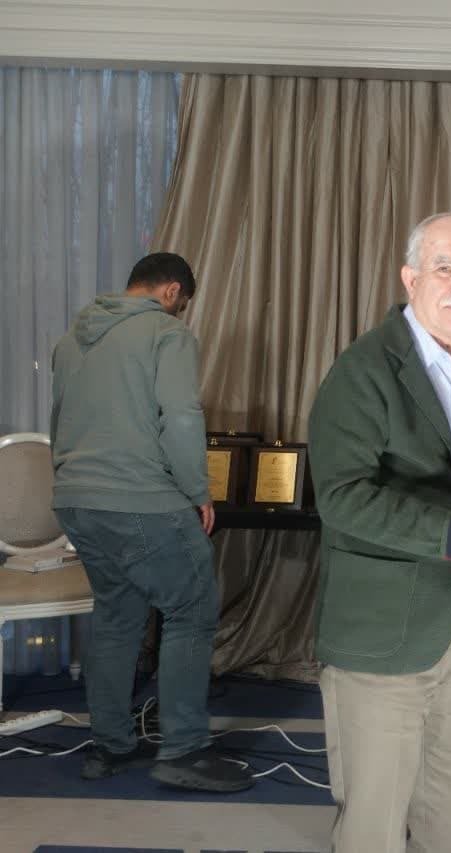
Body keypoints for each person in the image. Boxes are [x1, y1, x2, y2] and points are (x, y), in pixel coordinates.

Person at [307, 213, 451, 853]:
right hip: (383, 635)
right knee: (373, 832)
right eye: (446, 268)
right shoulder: (363, 369)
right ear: (411, 279)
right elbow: (341, 497)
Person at [50, 252, 252, 792]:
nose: (180, 313)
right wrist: (198, 492)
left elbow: (59, 419)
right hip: (139, 498)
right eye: (181, 304)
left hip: (75, 497)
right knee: (191, 609)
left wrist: (72, 488)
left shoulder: (70, 341)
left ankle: (111, 745)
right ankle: (184, 752)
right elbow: (181, 416)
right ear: (171, 292)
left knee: (117, 615)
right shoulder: (167, 333)